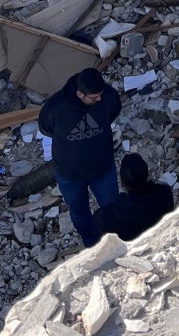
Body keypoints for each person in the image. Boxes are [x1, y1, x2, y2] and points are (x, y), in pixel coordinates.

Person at [38, 67, 121, 247]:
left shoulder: (108, 96)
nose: (99, 99)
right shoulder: (55, 108)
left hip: (103, 168)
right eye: (94, 97)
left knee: (112, 208)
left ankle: (116, 241)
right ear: (79, 94)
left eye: (100, 94)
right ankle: (92, 244)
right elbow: (46, 128)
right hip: (70, 175)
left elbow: (113, 112)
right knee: (79, 212)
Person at [94, 152, 174, 242]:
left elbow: (97, 221)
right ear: (148, 175)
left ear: (122, 183)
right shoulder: (165, 193)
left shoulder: (109, 216)